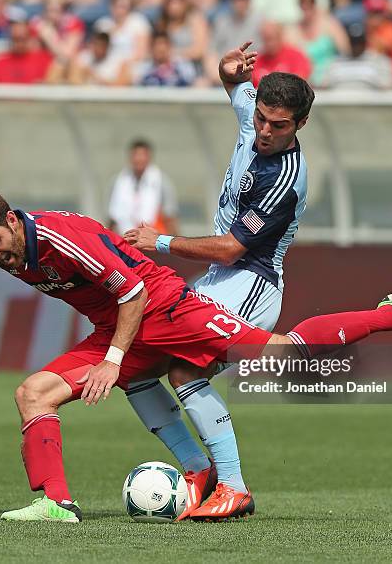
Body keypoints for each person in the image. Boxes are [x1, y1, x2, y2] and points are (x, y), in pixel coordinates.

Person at [0, 188, 392, 522]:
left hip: (166, 309)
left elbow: (132, 293)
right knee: (33, 393)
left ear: (12, 221)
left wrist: (114, 359)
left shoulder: (62, 239)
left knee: (287, 355)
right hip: (115, 323)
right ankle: (59, 504)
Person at [124, 41, 315, 518]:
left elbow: (233, 247)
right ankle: (197, 468)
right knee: (134, 366)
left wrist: (161, 242)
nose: (265, 130)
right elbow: (239, 92)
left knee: (184, 371)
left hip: (251, 282)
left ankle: (234, 486)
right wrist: (228, 73)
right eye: (263, 119)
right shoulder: (257, 114)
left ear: (300, 124)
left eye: (279, 125)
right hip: (217, 278)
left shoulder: (284, 180)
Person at [108, 139, 179, 235]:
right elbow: (112, 217)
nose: (139, 159)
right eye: (136, 155)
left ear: (149, 157)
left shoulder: (161, 181)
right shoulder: (118, 181)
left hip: (154, 239)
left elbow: (170, 216)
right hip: (124, 237)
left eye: (143, 155)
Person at [286, 0, 350, 86]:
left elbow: (345, 50)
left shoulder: (330, 24)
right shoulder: (293, 30)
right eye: (302, 3)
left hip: (331, 80)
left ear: (314, 4)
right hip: (305, 83)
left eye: (309, 3)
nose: (305, 7)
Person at [203, 0, 260, 85]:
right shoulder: (221, 21)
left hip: (251, 73)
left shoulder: (259, 22)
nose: (238, 2)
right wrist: (217, 74)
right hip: (224, 73)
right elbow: (211, 52)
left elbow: (264, 55)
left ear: (249, 0)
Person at [320, 24, 392, 89]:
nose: (357, 47)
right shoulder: (334, 62)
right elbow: (324, 86)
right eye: (354, 43)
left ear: (365, 43)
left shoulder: (379, 61)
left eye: (359, 43)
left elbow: (388, 87)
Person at [0, 20, 53, 84]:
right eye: (15, 39)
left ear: (29, 38)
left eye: (22, 39)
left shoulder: (44, 60)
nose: (19, 43)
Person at [252, 21, 312, 85]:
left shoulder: (296, 56)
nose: (269, 44)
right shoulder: (257, 61)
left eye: (271, 39)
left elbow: (300, 81)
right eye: (265, 39)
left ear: (280, 37)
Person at [128, 30, 197, 87]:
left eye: (163, 51)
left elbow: (191, 83)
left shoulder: (183, 66)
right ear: (151, 49)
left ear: (169, 47)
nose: (161, 52)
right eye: (158, 50)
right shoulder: (143, 70)